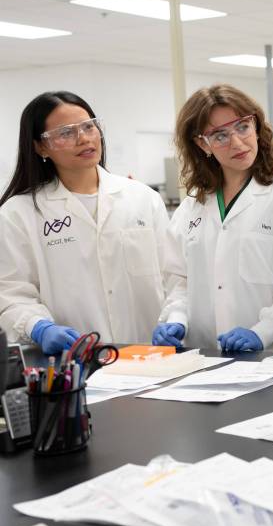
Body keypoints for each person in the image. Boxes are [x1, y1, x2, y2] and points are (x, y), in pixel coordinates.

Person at [0, 91, 186, 353]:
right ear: (40, 147)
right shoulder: (20, 213)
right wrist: (39, 326)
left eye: (89, 126)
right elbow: (10, 293)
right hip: (77, 360)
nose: (84, 138)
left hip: (150, 355)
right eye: (66, 132)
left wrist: (176, 316)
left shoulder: (142, 198)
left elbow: (175, 275)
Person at [158, 85, 273, 352]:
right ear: (202, 144)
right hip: (203, 355)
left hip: (272, 355)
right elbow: (180, 278)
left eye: (242, 127)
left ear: (256, 126)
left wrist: (263, 331)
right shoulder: (192, 208)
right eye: (219, 135)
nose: (236, 142)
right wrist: (176, 317)